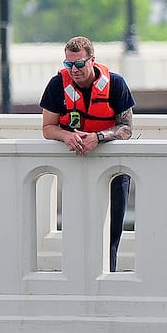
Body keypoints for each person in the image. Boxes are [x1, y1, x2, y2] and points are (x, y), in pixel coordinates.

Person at [41, 36, 136, 269]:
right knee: (77, 225)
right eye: (68, 65)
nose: (74, 70)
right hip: (76, 166)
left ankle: (108, 274)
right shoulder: (57, 85)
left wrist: (99, 137)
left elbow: (126, 128)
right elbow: (47, 128)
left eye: (79, 64)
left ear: (92, 60)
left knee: (112, 228)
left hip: (114, 169)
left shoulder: (116, 84)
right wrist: (67, 136)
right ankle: (77, 276)